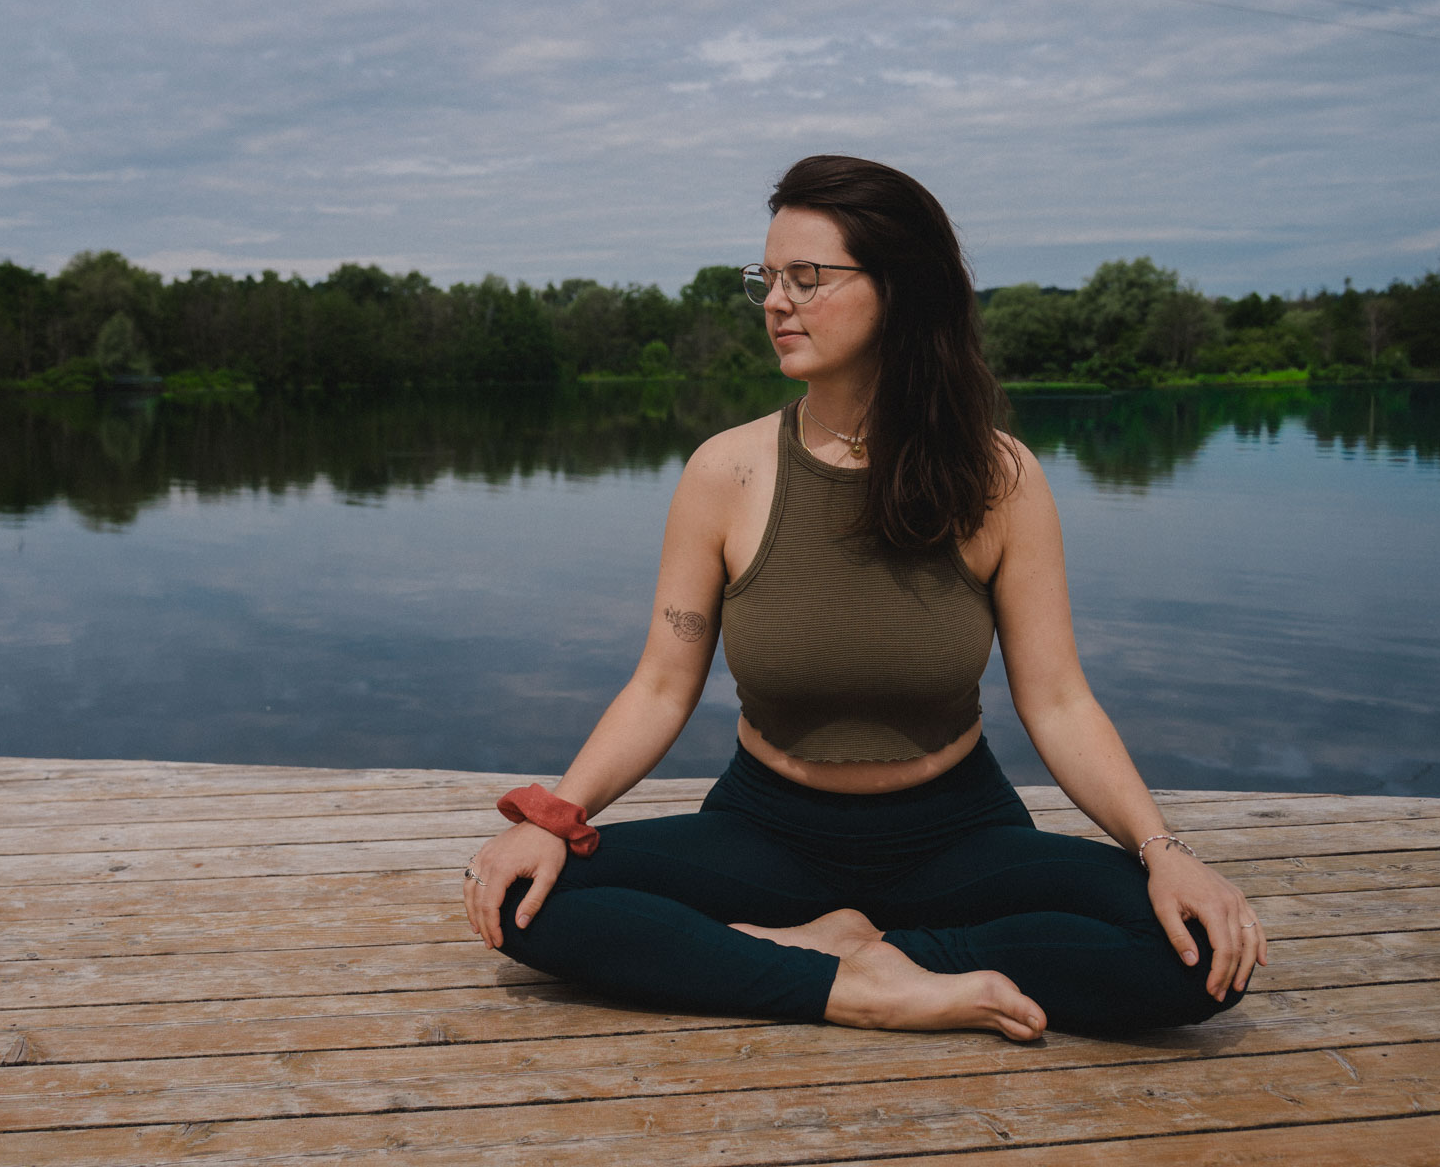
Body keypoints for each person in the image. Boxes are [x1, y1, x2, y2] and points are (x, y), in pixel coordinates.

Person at [461, 154, 1265, 1038]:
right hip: (766, 832)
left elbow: (1059, 700)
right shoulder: (724, 472)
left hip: (955, 835)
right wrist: (553, 820)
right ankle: (855, 986)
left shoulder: (1001, 479)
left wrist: (1163, 851)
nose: (775, 302)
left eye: (806, 278)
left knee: (1199, 957)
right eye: (766, 278)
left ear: (900, 290)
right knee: (528, 898)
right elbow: (659, 686)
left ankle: (879, 956)